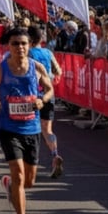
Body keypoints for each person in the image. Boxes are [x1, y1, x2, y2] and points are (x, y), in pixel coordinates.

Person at [0, 26, 54, 214]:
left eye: (23, 43)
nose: (20, 47)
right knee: (19, 175)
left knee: (28, 181)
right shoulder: (1, 69)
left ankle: (10, 186)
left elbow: (50, 89)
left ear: (29, 45)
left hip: (32, 129)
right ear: (8, 46)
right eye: (15, 44)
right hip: (9, 129)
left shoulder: (37, 67)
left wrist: (43, 100)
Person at [27, 24, 65, 178]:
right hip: (48, 95)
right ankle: (55, 154)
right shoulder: (48, 52)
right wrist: (49, 80)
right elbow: (58, 71)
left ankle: (29, 163)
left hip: (32, 95)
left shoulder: (26, 53)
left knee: (29, 129)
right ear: (41, 38)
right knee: (47, 129)